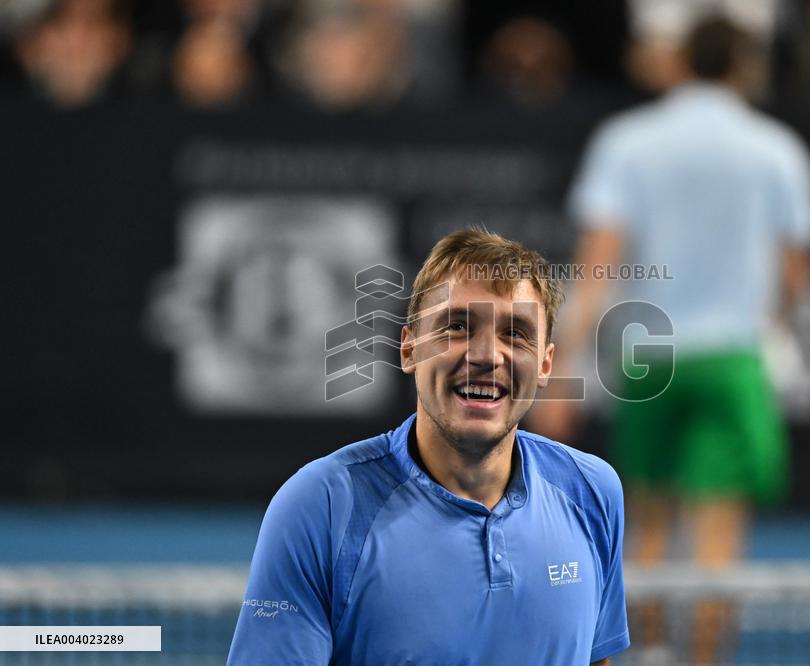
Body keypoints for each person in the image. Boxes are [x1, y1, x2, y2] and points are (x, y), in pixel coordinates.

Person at [531, 15, 810, 663]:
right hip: (732, 361)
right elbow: (797, 273)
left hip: (650, 359)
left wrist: (562, 374)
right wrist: (773, 329)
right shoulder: (777, 148)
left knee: (648, 531)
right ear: (744, 68)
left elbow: (597, 269)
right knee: (718, 543)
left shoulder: (627, 141)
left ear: (680, 62)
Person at [228, 228, 630, 665]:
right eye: (457, 326)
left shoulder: (592, 492)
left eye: (515, 333)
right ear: (408, 350)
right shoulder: (320, 506)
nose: (486, 355)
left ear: (546, 364)